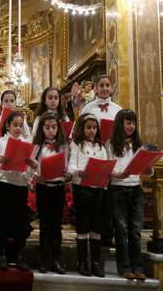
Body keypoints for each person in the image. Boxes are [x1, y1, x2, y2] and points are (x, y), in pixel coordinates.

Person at [107, 109, 152, 280]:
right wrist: (118, 174)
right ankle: (124, 267)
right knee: (121, 230)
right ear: (120, 124)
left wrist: (149, 170)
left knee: (135, 230)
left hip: (135, 188)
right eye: (128, 122)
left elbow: (147, 169)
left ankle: (138, 267)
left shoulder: (138, 145)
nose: (131, 126)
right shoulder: (111, 144)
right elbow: (108, 169)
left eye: (134, 123)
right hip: (118, 188)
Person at [0, 112, 38, 271]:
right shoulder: (0, 141)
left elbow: (32, 169)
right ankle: (1, 255)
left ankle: (19, 256)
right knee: (3, 219)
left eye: (20, 125)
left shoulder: (26, 142)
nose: (18, 128)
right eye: (15, 125)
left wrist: (33, 165)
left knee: (20, 221)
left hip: (21, 184)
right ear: (8, 126)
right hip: (5, 182)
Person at [81, 75, 122, 247]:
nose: (105, 88)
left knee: (110, 197)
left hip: (112, 153)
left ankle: (107, 234)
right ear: (95, 87)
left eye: (108, 85)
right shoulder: (88, 108)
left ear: (111, 87)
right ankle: (91, 232)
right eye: (101, 85)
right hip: (94, 153)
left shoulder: (118, 109)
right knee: (95, 196)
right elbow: (81, 131)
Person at [68, 113, 107, 277]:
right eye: (88, 127)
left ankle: (96, 263)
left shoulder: (101, 147)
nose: (91, 131)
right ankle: (82, 262)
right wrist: (78, 171)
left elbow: (105, 166)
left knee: (96, 226)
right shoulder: (76, 144)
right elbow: (71, 166)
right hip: (81, 187)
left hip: (98, 189)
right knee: (83, 224)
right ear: (82, 128)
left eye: (94, 127)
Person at [32, 111, 71, 274]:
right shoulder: (37, 146)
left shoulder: (64, 146)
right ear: (42, 129)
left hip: (58, 188)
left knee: (56, 226)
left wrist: (68, 175)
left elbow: (69, 167)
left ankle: (56, 260)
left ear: (58, 128)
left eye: (53, 127)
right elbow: (29, 167)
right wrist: (35, 176)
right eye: (47, 127)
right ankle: (44, 260)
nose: (50, 130)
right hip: (43, 188)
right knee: (45, 225)